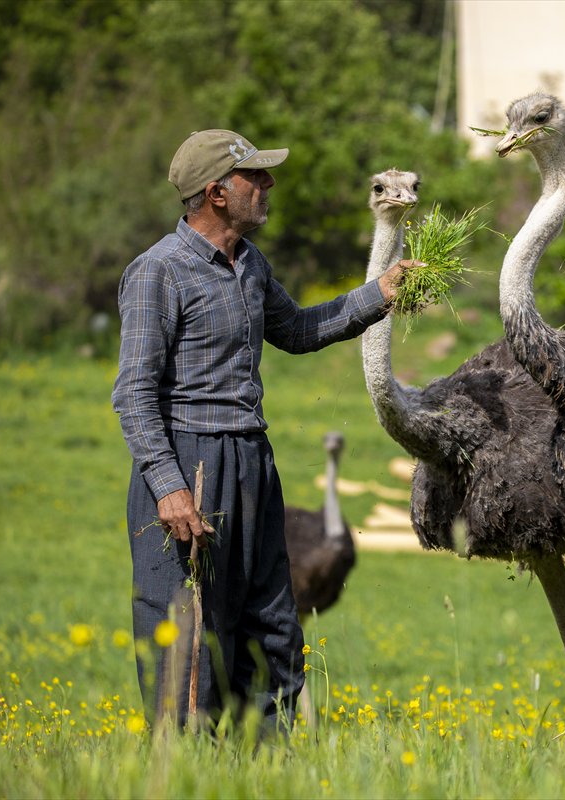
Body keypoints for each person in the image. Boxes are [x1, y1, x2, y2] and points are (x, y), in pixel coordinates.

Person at [112, 129, 416, 733]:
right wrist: (169, 488)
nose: (269, 185)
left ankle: (268, 767)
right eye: (257, 177)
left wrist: (378, 295)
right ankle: (186, 768)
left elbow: (299, 330)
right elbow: (134, 395)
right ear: (217, 193)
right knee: (190, 633)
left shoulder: (250, 266)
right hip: (188, 465)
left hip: (253, 461)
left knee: (272, 627)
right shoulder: (157, 273)